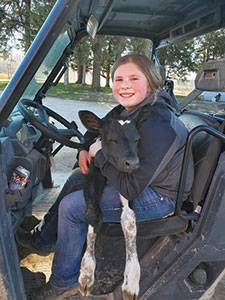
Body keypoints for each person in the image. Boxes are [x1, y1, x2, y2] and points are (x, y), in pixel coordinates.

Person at [17, 54, 194, 300]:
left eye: (134, 78)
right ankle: (44, 241)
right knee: (76, 179)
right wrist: (83, 148)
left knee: (72, 208)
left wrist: (98, 155)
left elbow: (131, 188)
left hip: (160, 196)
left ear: (151, 82)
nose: (125, 85)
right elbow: (102, 130)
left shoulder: (158, 122)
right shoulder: (129, 110)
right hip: (141, 182)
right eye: (119, 79)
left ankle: (62, 284)